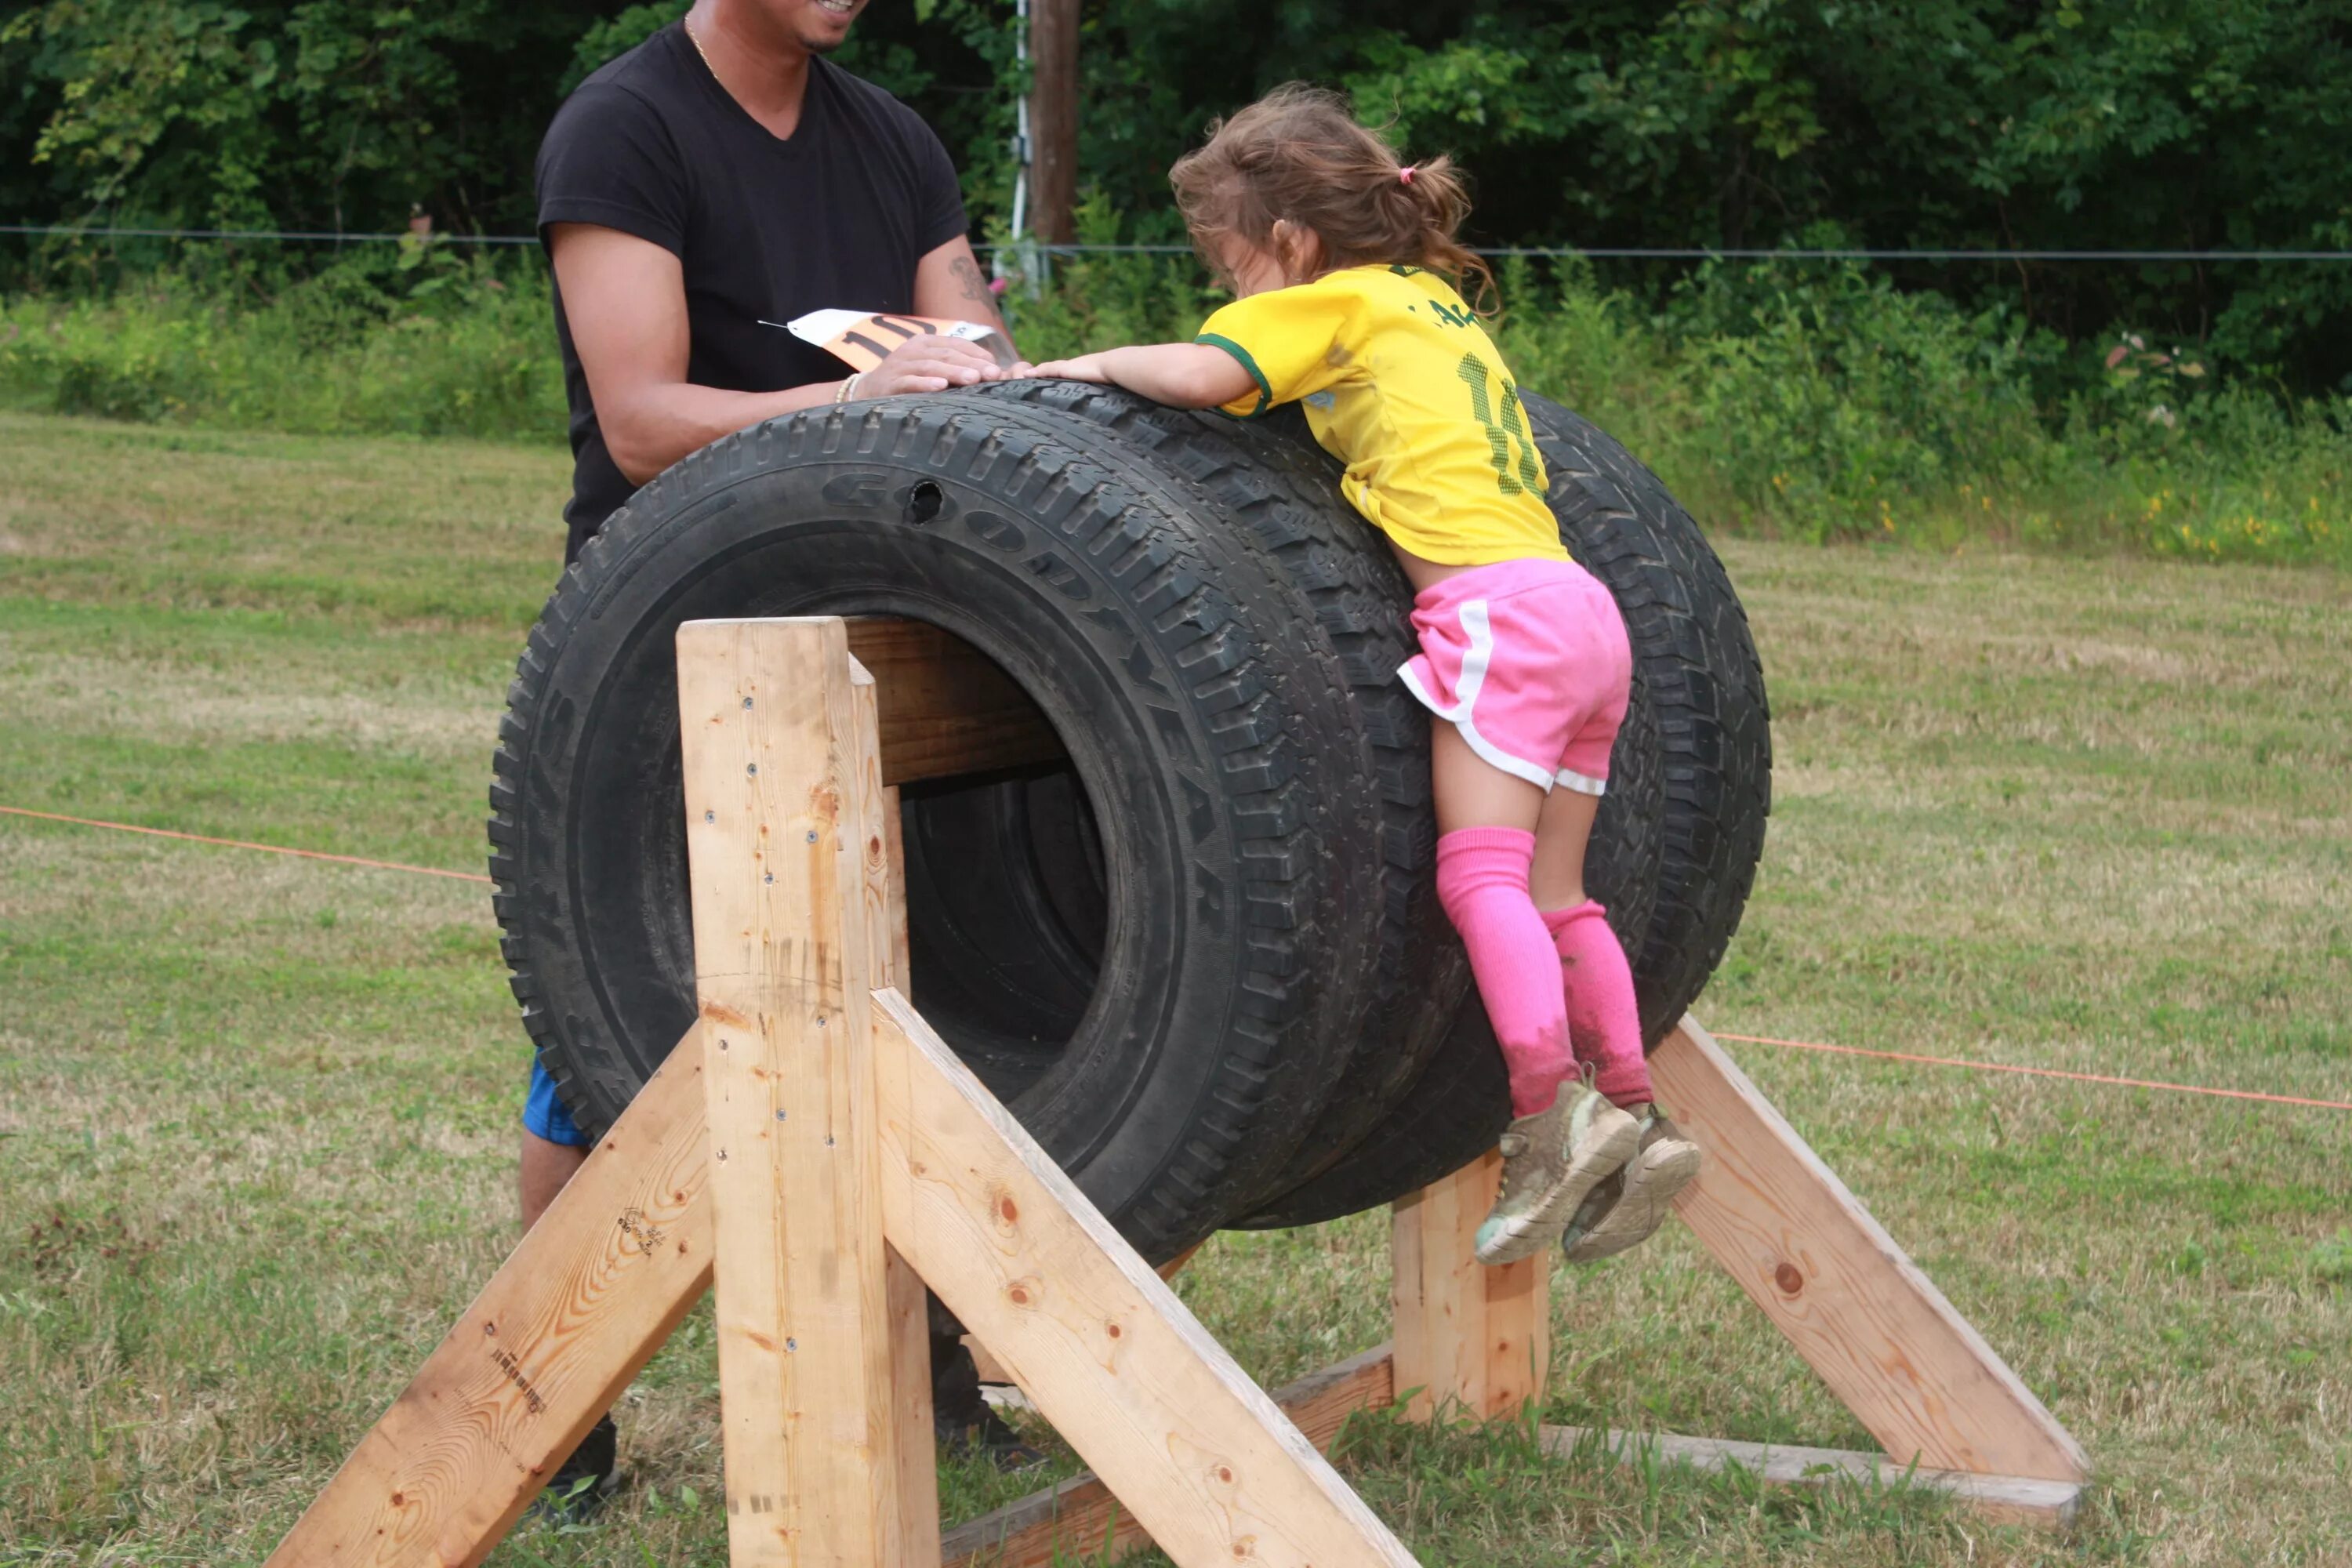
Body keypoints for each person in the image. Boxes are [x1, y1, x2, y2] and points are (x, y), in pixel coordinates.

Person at [1032, 85, 1701, 1268]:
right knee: (1562, 896)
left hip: (1494, 615)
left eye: (1234, 267)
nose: (1234, 292)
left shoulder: (1327, 298)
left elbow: (1200, 377)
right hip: (1585, 613)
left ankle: (1550, 1122)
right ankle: (1636, 1117)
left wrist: (1074, 364)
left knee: (1478, 876)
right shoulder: (1430, 304)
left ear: (1288, 243)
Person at [525, 0, 1035, 1514]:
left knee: (925, 1005)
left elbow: (986, 358)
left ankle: (931, 1377)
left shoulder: (896, 138)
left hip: (890, 615)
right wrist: (853, 398)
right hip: (664, 631)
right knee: (601, 1044)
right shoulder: (623, 127)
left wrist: (995, 373)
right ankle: (549, 1417)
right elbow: (640, 423)